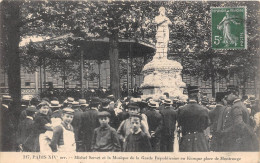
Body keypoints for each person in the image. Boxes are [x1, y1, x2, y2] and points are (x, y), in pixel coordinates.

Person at [218, 85, 259, 151]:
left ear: (234, 94)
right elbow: (251, 122)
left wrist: (224, 132)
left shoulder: (236, 107)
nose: (226, 96)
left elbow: (239, 124)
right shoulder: (241, 104)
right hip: (242, 140)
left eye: (228, 94)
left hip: (237, 142)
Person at [178, 86, 210, 152]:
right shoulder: (204, 109)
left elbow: (179, 123)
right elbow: (207, 124)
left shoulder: (181, 109)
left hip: (186, 138)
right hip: (200, 139)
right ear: (197, 95)